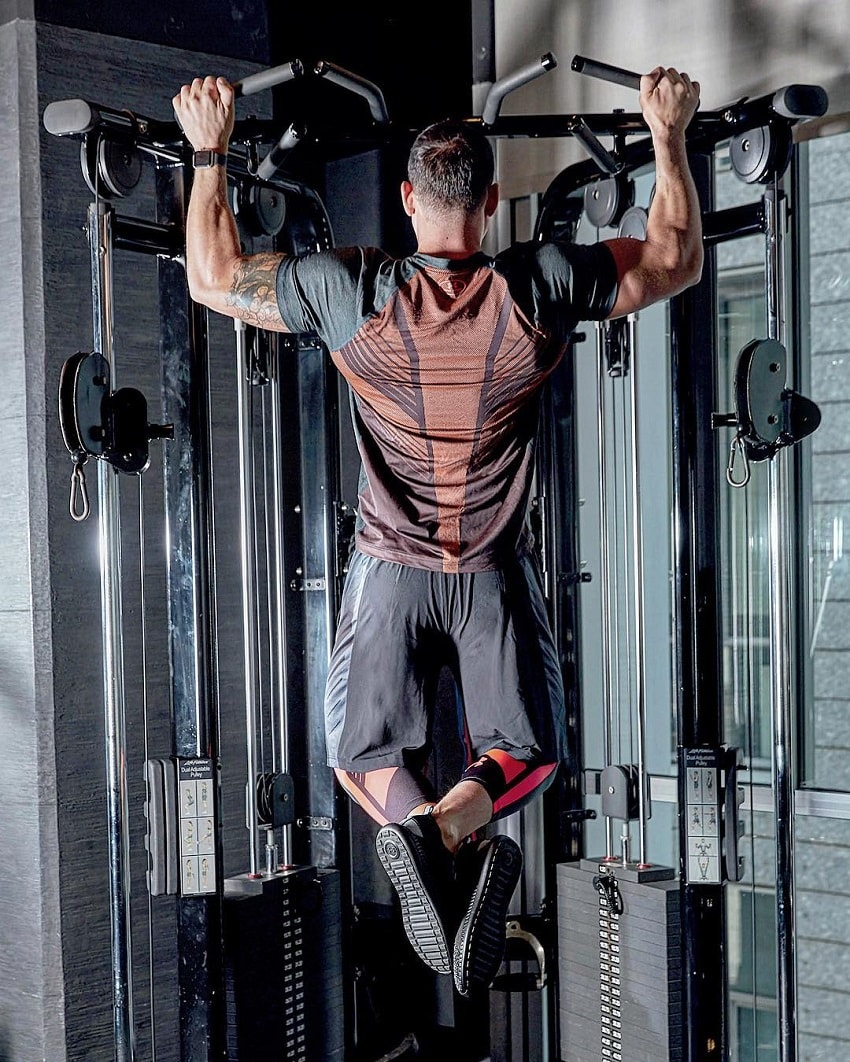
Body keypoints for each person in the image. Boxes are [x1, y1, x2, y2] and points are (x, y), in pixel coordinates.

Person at [173, 64, 702, 996]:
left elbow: (214, 280)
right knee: (527, 754)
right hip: (492, 570)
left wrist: (208, 151)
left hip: (389, 567)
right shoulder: (539, 283)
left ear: (410, 200)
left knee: (357, 757)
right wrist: (667, 134)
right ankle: (450, 829)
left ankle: (420, 830)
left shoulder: (351, 291)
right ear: (492, 204)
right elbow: (674, 259)